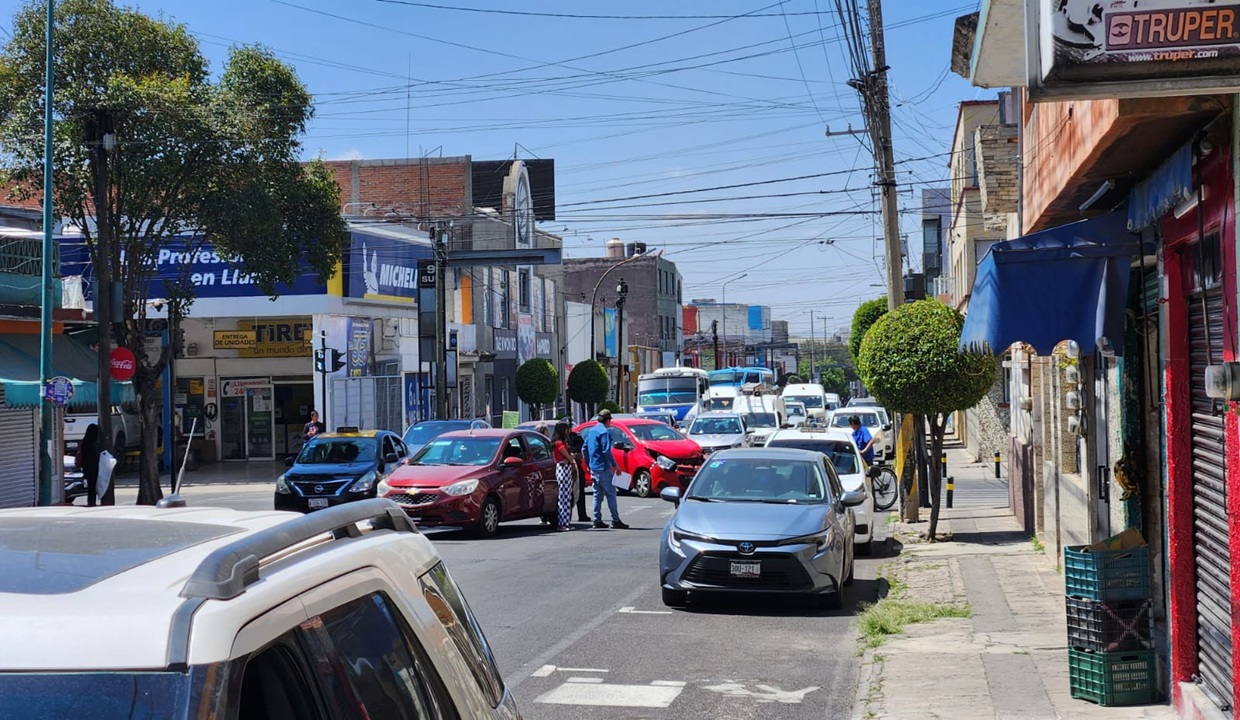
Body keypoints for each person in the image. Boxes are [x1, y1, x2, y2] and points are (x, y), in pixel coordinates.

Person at [584, 409, 628, 529]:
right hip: (603, 467)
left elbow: (584, 448)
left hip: (594, 468)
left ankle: (597, 519)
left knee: (597, 495)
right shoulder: (604, 432)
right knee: (611, 494)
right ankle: (615, 519)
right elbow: (606, 450)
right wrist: (615, 465)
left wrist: (589, 463)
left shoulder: (591, 431)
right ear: (608, 420)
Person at [550, 422, 577, 531]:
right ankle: (563, 523)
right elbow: (567, 456)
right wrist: (572, 457)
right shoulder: (559, 443)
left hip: (564, 468)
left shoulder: (558, 442)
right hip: (563, 468)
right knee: (564, 498)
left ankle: (565, 522)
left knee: (566, 497)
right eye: (566, 429)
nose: (568, 431)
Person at [77, 423, 100, 507]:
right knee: (94, 485)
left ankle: (91, 501)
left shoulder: (85, 441)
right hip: (94, 467)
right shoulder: (95, 443)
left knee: (91, 487)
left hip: (86, 467)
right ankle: (93, 501)